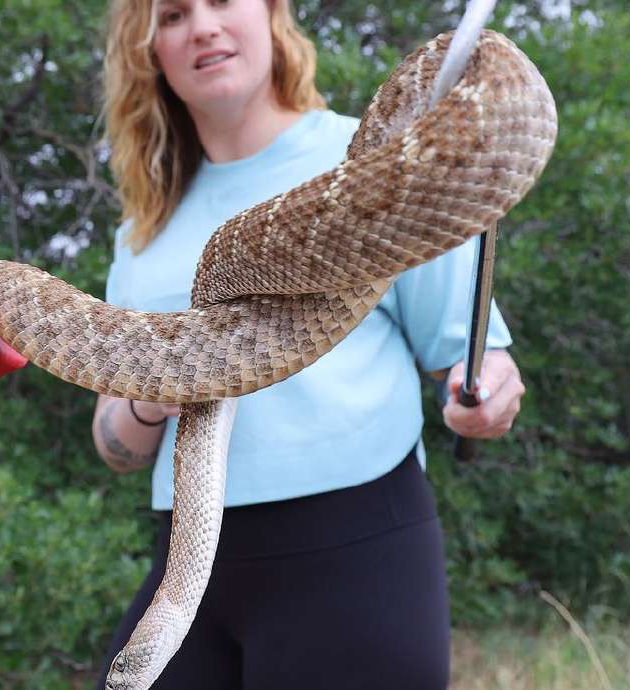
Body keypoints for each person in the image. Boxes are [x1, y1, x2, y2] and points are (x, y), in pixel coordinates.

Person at [91, 0, 525, 687]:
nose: (202, 26)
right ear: (149, 52)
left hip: (355, 544)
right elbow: (114, 442)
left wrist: (486, 391)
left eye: (221, 2)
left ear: (270, 16)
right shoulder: (143, 227)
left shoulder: (375, 163)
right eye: (172, 15)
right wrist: (154, 397)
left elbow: (471, 357)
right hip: (188, 566)